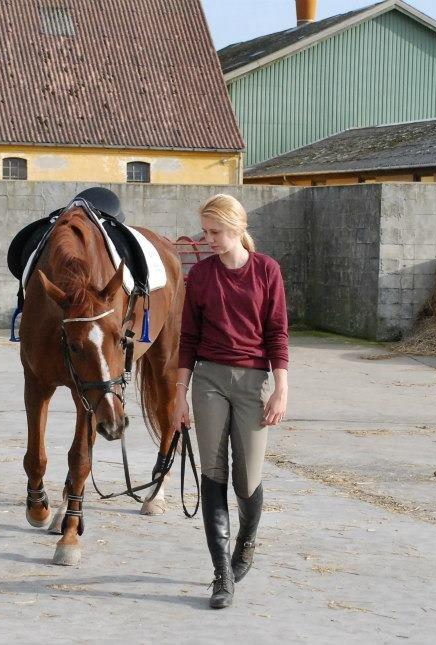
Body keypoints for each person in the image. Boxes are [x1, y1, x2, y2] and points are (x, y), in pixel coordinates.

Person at [173, 194, 289, 609]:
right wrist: (179, 394)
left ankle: (247, 540)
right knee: (213, 473)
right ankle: (221, 574)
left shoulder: (266, 270)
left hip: (254, 381)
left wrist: (281, 389)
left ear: (238, 228)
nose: (209, 240)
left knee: (248, 478)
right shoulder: (201, 275)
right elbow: (188, 338)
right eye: (206, 232)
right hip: (208, 379)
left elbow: (277, 332)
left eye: (216, 232)